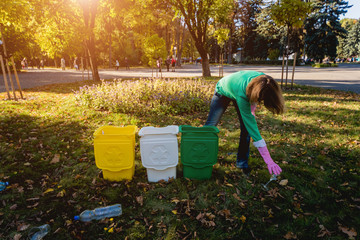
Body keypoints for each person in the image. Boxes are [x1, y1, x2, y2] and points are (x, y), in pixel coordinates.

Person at [205, 70, 284, 176]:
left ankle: (242, 163)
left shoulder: (265, 81)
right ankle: (202, 155)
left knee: (246, 130)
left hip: (240, 88)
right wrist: (268, 159)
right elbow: (252, 127)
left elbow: (254, 100)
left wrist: (252, 110)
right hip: (223, 89)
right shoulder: (242, 95)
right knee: (210, 125)